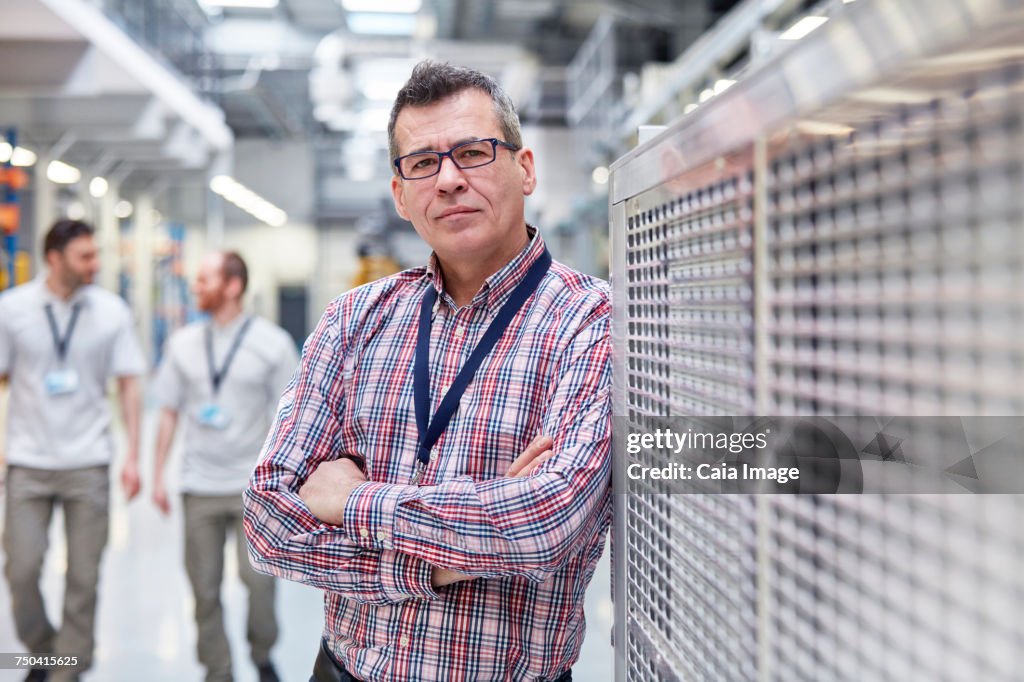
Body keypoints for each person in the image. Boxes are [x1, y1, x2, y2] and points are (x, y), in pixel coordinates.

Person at [244, 60, 611, 682]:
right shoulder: (355, 320)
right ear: (400, 193)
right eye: (422, 163)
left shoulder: (592, 320)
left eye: (472, 152)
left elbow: (546, 523)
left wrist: (355, 501)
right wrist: (446, 558)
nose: (447, 180)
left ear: (524, 169)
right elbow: (269, 522)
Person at [0, 219, 146, 682]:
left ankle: (68, 669)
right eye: (85, 256)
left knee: (84, 577)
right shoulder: (12, 309)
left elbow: (129, 383)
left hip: (89, 462)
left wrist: (133, 456)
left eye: (94, 253)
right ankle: (44, 652)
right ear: (54, 258)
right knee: (21, 568)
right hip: (28, 461)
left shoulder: (111, 311)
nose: (95, 264)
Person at [151, 251, 298, 682]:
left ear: (232, 286)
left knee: (259, 584)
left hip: (254, 491)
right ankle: (218, 671)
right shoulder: (181, 344)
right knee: (203, 589)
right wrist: (158, 474)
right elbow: (168, 413)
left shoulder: (272, 344)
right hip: (197, 486)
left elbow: (290, 419)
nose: (195, 286)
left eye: (204, 279)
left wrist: (288, 484)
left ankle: (262, 653)